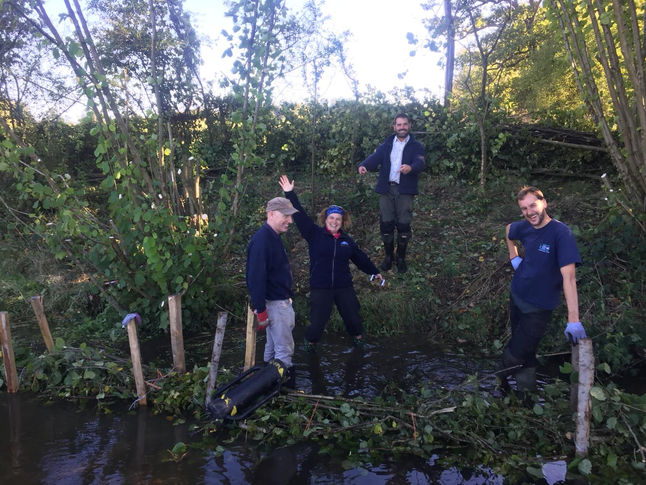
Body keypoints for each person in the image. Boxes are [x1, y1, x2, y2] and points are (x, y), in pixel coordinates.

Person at [278, 175, 383, 351]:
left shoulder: (346, 240)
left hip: (343, 286)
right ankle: (310, 345)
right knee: (318, 323)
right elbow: (300, 216)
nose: (334, 221)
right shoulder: (314, 234)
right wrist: (290, 193)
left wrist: (374, 271)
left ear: (342, 222)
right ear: (325, 219)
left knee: (352, 317)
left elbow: (359, 257)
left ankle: (358, 340)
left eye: (338, 219)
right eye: (331, 218)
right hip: (321, 286)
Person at [502, 186, 587, 393]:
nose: (529, 212)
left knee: (516, 352)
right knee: (526, 352)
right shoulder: (524, 227)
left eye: (533, 205)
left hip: (538, 308)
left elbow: (569, 277)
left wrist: (573, 319)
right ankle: (527, 395)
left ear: (544, 203)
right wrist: (513, 256)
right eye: (524, 208)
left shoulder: (561, 233)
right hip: (517, 296)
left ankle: (496, 381)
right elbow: (508, 230)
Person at [357, 113, 425, 273]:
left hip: (405, 190)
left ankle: (400, 257)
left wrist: (411, 167)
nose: (402, 127)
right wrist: (364, 165)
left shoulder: (416, 145)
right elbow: (375, 158)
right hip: (386, 189)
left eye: (405, 124)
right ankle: (389, 256)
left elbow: (420, 161)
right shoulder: (387, 144)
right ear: (394, 127)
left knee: (403, 224)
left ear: (409, 126)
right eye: (399, 125)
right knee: (386, 223)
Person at [246, 195, 299, 383]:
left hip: (277, 303)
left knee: (272, 347)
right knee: (284, 352)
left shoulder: (273, 237)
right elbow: (255, 277)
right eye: (285, 216)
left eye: (290, 216)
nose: (290, 221)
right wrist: (260, 310)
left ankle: (266, 385)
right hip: (275, 305)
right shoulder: (262, 240)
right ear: (271, 214)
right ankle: (285, 391)